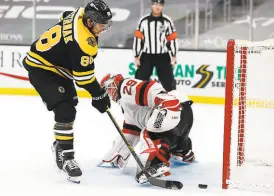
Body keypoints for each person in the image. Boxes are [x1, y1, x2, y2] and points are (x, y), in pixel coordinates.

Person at [22, 0, 112, 183]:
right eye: (101, 24)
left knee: (70, 106)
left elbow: (64, 16)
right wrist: (99, 94)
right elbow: (84, 79)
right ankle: (66, 157)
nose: (104, 28)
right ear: (89, 22)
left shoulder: (79, 13)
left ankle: (60, 146)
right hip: (42, 69)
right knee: (65, 110)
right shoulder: (83, 43)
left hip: (58, 67)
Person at [98, 74, 194, 184]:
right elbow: (130, 134)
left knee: (148, 132)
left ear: (115, 82)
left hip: (173, 107)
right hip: (181, 120)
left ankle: (156, 164)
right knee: (163, 135)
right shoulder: (128, 108)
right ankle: (183, 150)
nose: (109, 93)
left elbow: (148, 88)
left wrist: (164, 100)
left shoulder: (124, 86)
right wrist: (116, 154)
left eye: (109, 87)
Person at [133, 0, 178, 91]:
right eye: (155, 4)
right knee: (140, 81)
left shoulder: (167, 21)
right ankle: (138, 101)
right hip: (147, 55)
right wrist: (136, 56)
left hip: (163, 55)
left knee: (168, 81)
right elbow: (138, 39)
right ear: (152, 5)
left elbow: (172, 39)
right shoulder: (144, 21)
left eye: (160, 4)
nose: (157, 7)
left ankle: (171, 100)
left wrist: (174, 55)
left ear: (163, 6)